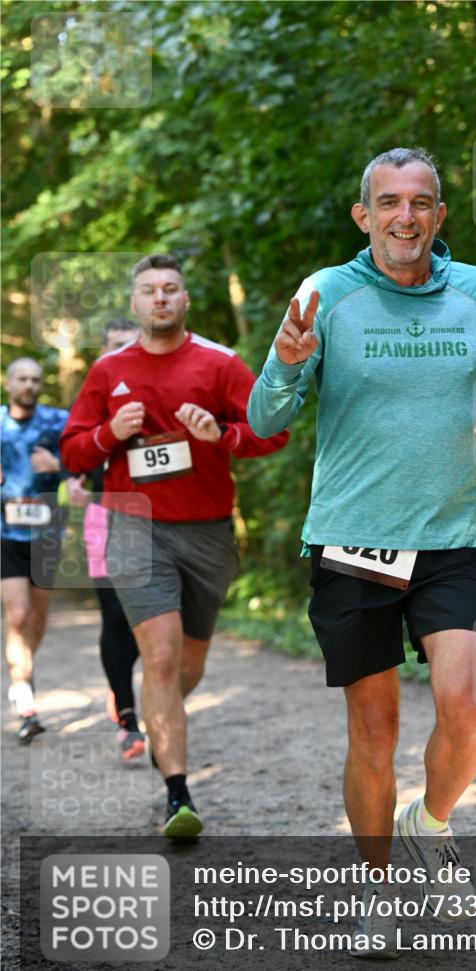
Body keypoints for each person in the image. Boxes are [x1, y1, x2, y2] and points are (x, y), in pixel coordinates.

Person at [248, 147, 476, 956]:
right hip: (354, 540)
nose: (405, 216)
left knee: (469, 709)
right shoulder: (324, 294)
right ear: (362, 215)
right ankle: (377, 890)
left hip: (455, 536)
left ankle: (429, 825)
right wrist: (285, 364)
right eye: (388, 202)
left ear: (438, 214)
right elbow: (266, 419)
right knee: (373, 733)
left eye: (420, 202)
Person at [60, 254, 289, 838]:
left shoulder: (219, 363)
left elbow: (272, 431)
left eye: (170, 289)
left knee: (187, 666)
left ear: (185, 300)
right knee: (160, 659)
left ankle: (159, 714)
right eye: (149, 290)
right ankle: (178, 795)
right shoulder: (107, 371)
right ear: (134, 303)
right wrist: (110, 433)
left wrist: (223, 434)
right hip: (133, 527)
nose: (159, 298)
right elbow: (72, 451)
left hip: (207, 530)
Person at [65, 318, 144, 763]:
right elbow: (71, 451)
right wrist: (72, 481)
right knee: (116, 615)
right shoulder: (93, 395)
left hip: (160, 519)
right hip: (104, 518)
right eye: (115, 346)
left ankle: (138, 694)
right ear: (101, 353)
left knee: (149, 619)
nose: (123, 353)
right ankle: (128, 719)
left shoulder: (157, 390)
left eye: (130, 344)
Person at [1, 358, 69, 744]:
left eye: (35, 379)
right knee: (18, 615)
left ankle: (22, 673)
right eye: (22, 378)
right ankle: (24, 694)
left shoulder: (57, 421)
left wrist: (57, 464)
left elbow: (85, 463)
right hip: (5, 531)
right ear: (9, 383)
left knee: (38, 619)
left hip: (46, 532)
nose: (29, 385)